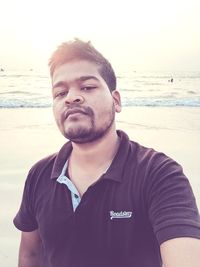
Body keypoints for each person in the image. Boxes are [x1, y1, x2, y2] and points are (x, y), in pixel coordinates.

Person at [14, 38, 200, 267]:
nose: (71, 97)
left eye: (87, 87)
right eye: (60, 93)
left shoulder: (159, 174)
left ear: (116, 101)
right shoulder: (39, 175)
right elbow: (31, 255)